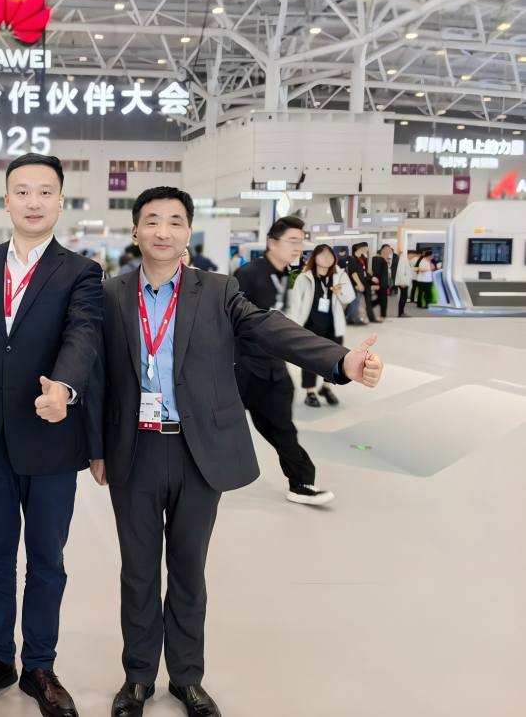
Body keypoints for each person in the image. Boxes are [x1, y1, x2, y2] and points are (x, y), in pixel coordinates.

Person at [90, 188, 384, 717]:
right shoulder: (111, 294)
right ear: (135, 232)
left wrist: (340, 361)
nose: (162, 230)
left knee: (188, 569)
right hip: (133, 450)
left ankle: (186, 678)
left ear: (188, 233)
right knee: (138, 571)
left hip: (198, 451)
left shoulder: (218, 290)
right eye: (151, 220)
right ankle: (138, 677)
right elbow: (96, 374)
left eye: (174, 221)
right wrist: (96, 448)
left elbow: (270, 329)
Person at [0, 153, 103, 717]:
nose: (33, 202)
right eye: (23, 191)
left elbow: (84, 336)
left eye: (45, 192)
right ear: (6, 199)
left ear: (61, 200)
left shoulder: (81, 272)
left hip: (51, 436)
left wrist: (64, 387)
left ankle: (39, 664)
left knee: (47, 558)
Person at [232, 216, 338, 506]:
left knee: (282, 428)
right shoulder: (248, 275)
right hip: (241, 367)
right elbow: (228, 321)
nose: (297, 247)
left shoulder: (292, 276)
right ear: (271, 242)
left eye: (301, 242)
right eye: (292, 241)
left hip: (273, 367)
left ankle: (301, 483)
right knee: (215, 425)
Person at [287, 244, 355, 408]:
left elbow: (349, 297)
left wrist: (339, 292)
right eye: (322, 255)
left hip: (333, 325)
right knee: (309, 360)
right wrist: (294, 326)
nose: (326, 258)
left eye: (329, 255)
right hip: (310, 326)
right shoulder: (304, 277)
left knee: (334, 359)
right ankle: (310, 392)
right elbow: (295, 303)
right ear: (314, 258)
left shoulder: (340, 275)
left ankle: (326, 387)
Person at [345, 242, 380, 324]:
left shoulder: (362, 258)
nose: (368, 249)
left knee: (354, 301)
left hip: (363, 282)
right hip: (355, 283)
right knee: (355, 301)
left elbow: (364, 271)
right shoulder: (351, 259)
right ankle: (354, 319)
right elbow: (353, 273)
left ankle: (349, 318)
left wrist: (371, 278)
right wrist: (359, 284)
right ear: (361, 248)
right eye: (366, 247)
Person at [371, 244, 396, 320]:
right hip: (380, 284)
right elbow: (376, 272)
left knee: (382, 300)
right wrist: (377, 284)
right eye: (389, 249)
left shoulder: (384, 259)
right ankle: (368, 308)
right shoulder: (378, 259)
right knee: (382, 300)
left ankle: (383, 315)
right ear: (383, 250)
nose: (390, 251)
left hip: (384, 284)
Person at [393, 247, 412, 317]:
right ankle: (401, 313)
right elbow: (401, 272)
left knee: (403, 298)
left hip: (404, 282)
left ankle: (401, 312)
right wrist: (402, 282)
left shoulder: (404, 259)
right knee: (403, 298)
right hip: (402, 283)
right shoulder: (403, 260)